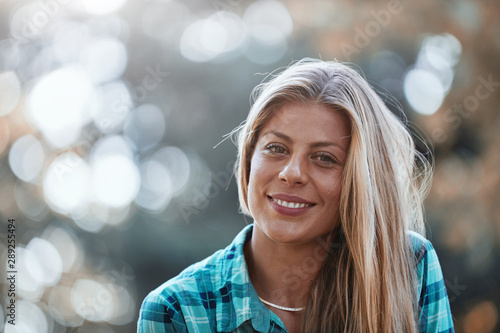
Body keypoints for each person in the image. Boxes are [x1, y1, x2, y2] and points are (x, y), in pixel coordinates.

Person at [137, 58, 454, 333]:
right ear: (249, 159)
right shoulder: (176, 310)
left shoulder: (410, 266)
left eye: (324, 158)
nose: (292, 173)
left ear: (360, 179)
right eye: (276, 148)